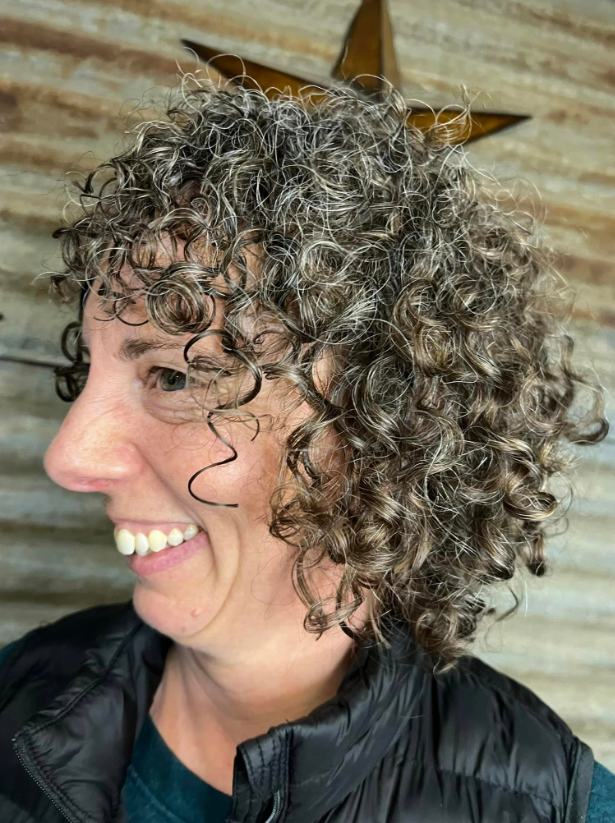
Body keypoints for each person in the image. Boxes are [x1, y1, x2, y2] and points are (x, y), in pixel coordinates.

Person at [0, 73, 613, 823]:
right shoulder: (16, 698)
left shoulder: (553, 804)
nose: (68, 456)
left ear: (387, 424)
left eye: (172, 373)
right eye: (87, 374)